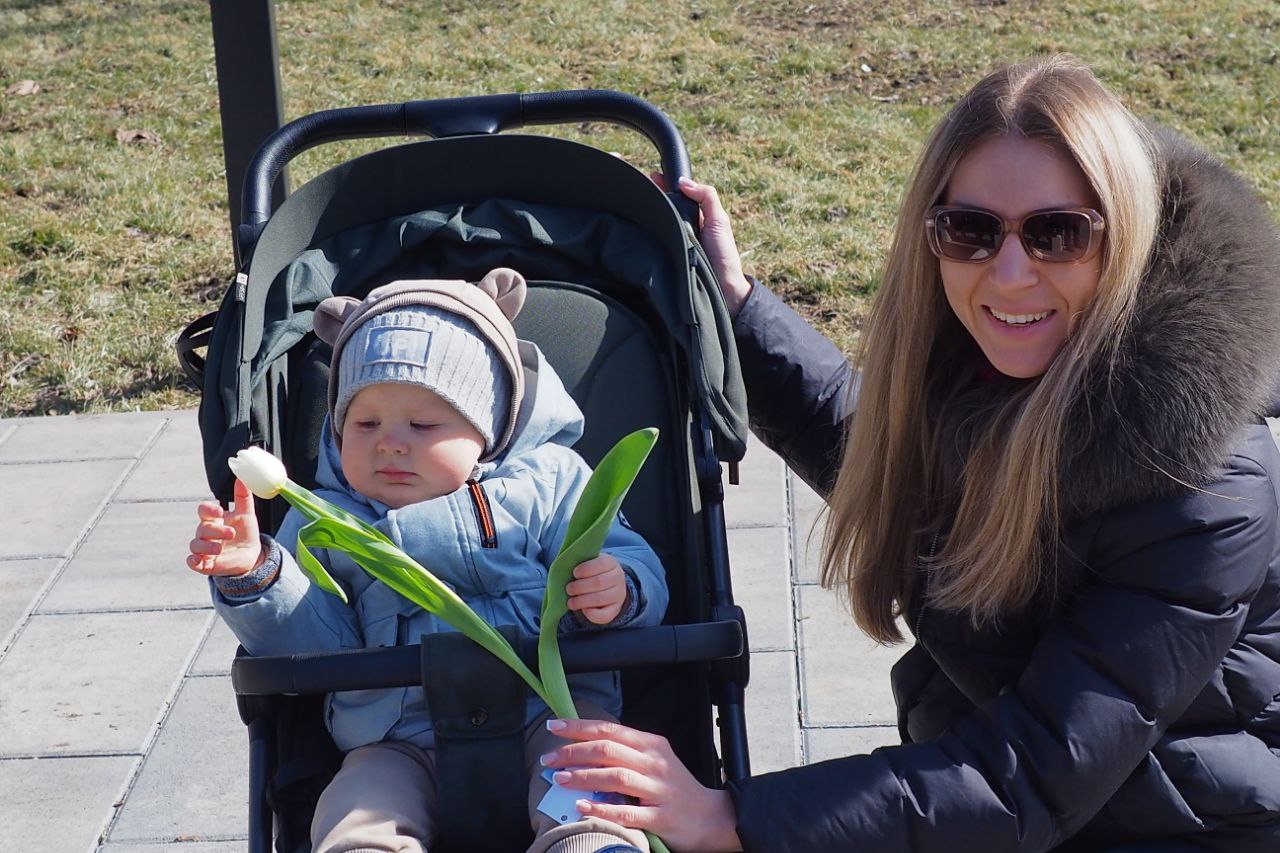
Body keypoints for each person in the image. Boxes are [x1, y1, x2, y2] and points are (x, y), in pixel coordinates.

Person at [537, 55, 1280, 851]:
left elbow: (1032, 770)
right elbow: (884, 458)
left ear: (1124, 234)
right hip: (1017, 799)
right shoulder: (993, 361)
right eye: (971, 230)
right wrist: (735, 308)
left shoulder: (1206, 488)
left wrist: (730, 816)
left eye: (1059, 233)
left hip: (1177, 826)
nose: (1010, 273)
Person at [186, 268, 667, 853]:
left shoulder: (548, 484)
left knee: (591, 780)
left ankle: (591, 842)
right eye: (365, 423)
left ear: (489, 426)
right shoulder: (326, 520)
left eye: (423, 424)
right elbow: (316, 644)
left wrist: (619, 589)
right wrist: (258, 575)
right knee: (358, 804)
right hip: (397, 734)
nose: (390, 442)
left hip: (549, 711)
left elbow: (626, 554)